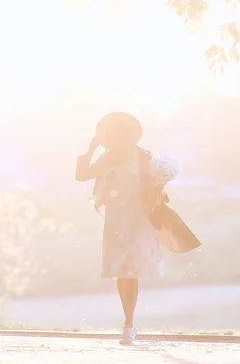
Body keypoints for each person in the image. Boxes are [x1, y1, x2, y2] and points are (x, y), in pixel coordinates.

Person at [75, 112, 181, 345]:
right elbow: (81, 175)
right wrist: (91, 149)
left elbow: (157, 187)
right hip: (116, 220)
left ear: (132, 136)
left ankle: (129, 324)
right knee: (123, 271)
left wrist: (160, 190)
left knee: (131, 270)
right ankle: (129, 324)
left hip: (139, 218)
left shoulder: (147, 158)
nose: (118, 140)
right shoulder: (109, 158)